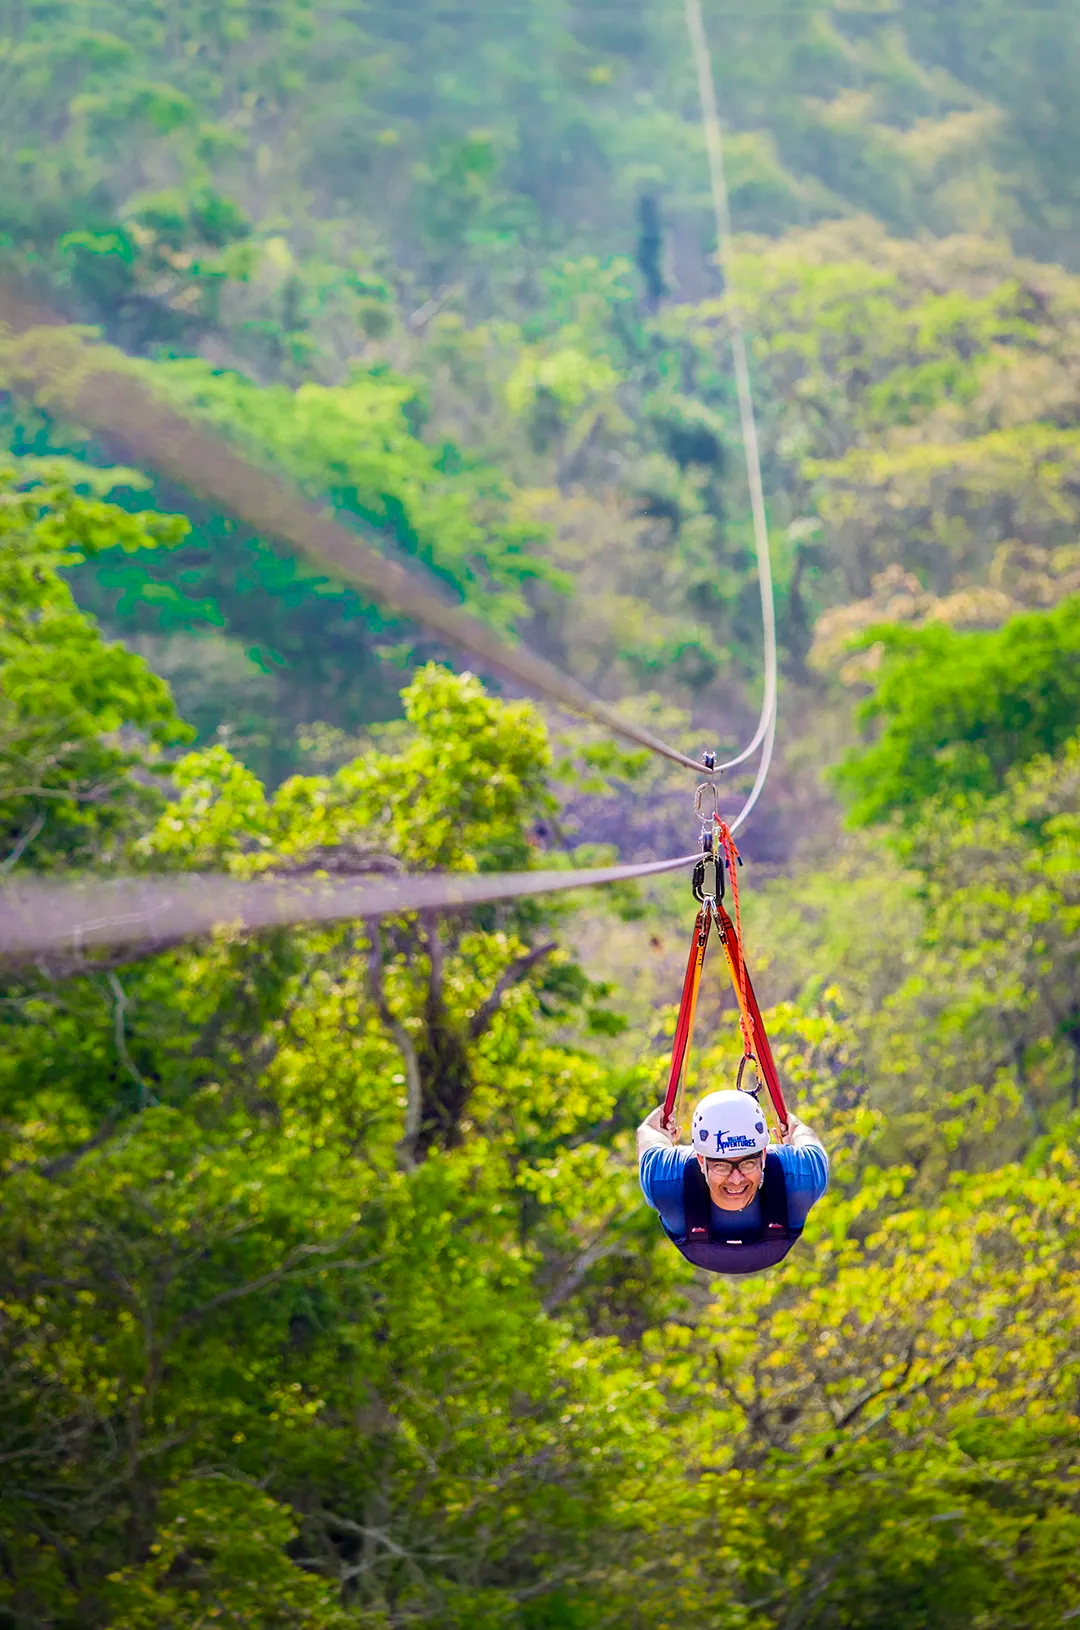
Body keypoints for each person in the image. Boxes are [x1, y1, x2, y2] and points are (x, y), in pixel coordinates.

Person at [638, 1087, 828, 1274]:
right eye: (721, 1166)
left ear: (764, 1155)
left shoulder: (801, 1177)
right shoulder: (665, 1182)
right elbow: (648, 1135)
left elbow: (650, 1133)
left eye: (748, 1163)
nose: (736, 1179)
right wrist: (796, 1132)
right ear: (701, 1161)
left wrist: (797, 1130)